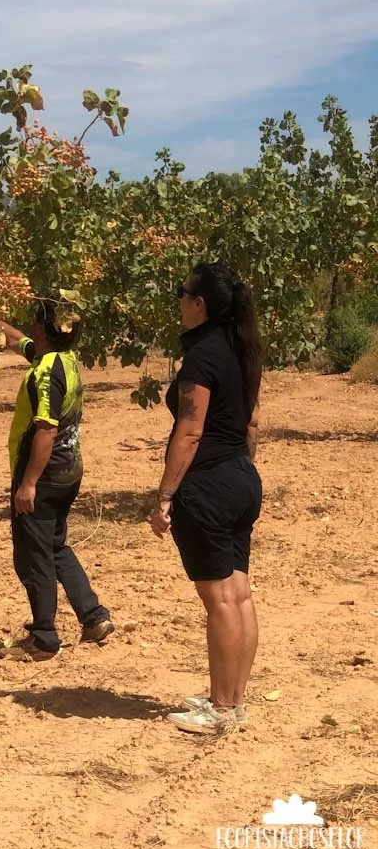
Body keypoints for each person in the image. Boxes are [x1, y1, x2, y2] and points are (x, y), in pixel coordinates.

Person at [150, 263, 263, 734]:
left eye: (182, 293)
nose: (179, 301)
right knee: (238, 594)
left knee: (218, 599)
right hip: (241, 477)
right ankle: (232, 703)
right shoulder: (242, 351)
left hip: (209, 485)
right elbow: (251, 424)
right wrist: (241, 470)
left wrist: (164, 495)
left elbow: (190, 430)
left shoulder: (201, 357)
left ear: (199, 304)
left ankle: (218, 710)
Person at [0, 299, 113, 661]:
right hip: (68, 470)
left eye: (35, 321)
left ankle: (44, 638)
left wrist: (28, 483)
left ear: (44, 329)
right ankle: (93, 617)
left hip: (43, 474)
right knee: (56, 545)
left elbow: (46, 429)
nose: (30, 326)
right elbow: (19, 343)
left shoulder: (44, 373)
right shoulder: (63, 358)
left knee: (34, 554)